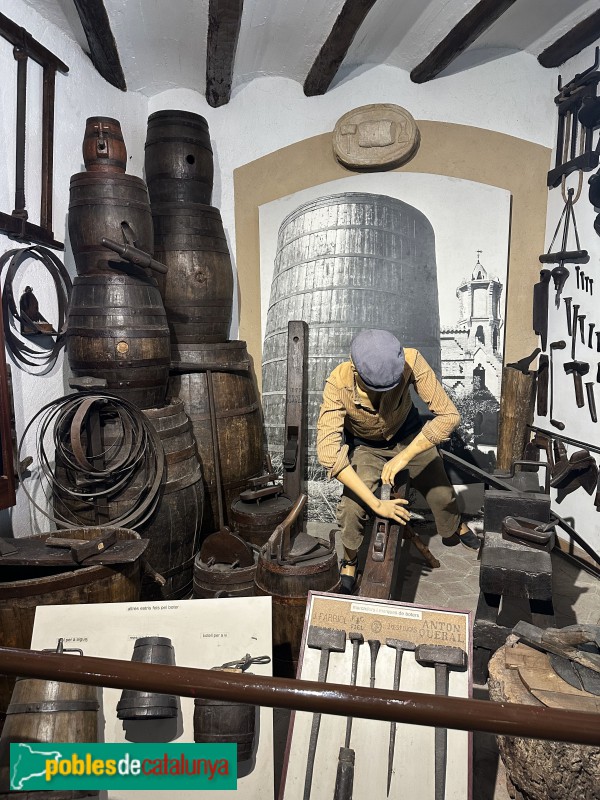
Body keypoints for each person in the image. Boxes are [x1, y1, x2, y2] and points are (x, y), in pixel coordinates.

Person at [316, 329, 480, 594]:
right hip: (367, 447)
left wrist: (404, 456)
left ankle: (455, 526)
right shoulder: (338, 382)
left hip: (409, 437)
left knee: (440, 490)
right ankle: (349, 559)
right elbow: (329, 454)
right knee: (351, 508)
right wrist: (377, 504)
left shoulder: (411, 360)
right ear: (355, 369)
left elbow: (449, 416)